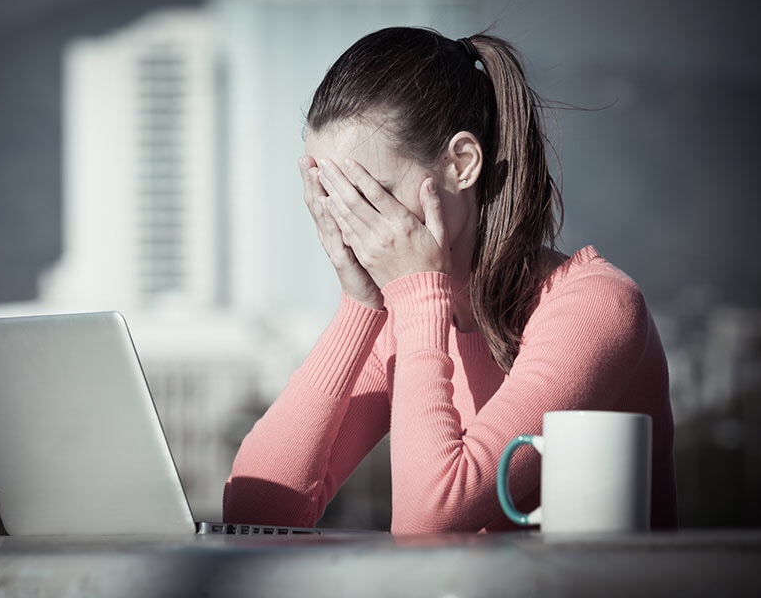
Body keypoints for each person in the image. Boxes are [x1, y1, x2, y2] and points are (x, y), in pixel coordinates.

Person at [222, 27, 677, 534]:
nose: (351, 224)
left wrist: (418, 297)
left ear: (461, 165)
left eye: (369, 195)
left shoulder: (594, 308)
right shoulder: (403, 319)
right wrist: (360, 303)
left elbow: (429, 520)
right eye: (332, 198)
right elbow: (255, 513)